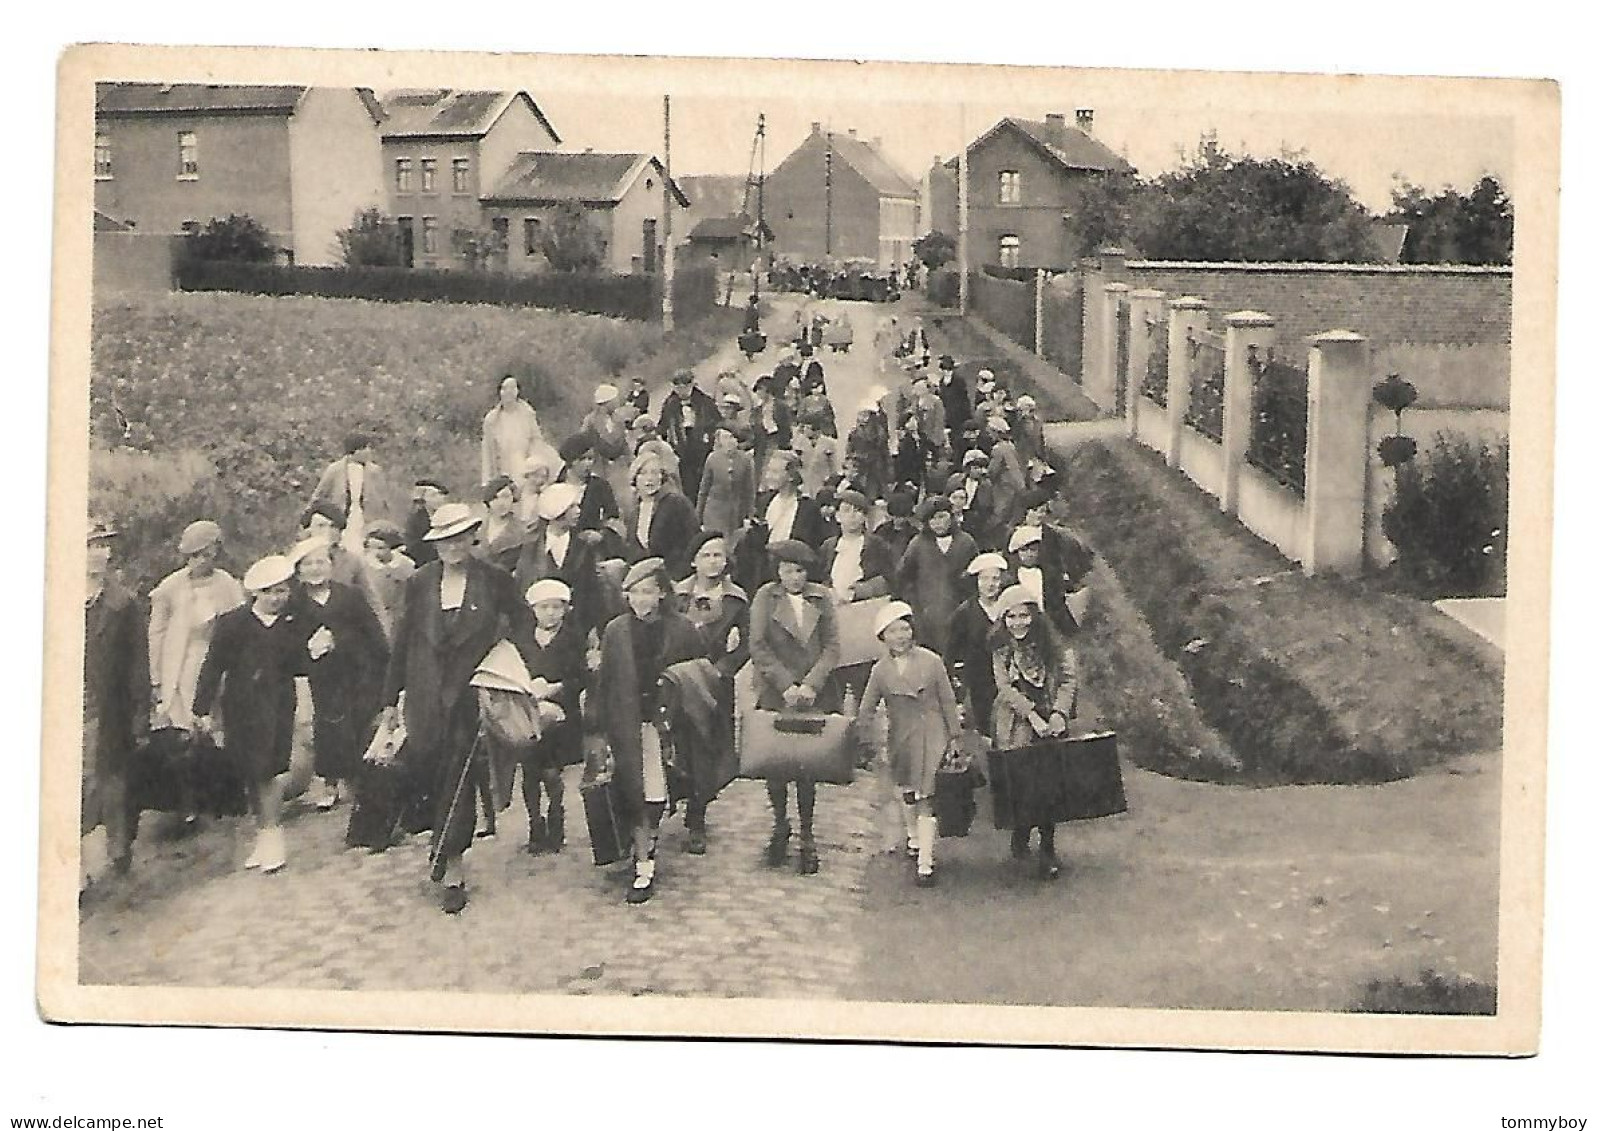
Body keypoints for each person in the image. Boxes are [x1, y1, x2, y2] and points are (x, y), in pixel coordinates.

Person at [380, 502, 537, 913]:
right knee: (428, 767)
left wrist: (505, 661)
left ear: (472, 537)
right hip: (425, 692)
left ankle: (453, 867)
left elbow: (523, 619)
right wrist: (389, 699)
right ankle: (439, 843)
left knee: (459, 774)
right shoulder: (419, 583)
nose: (451, 546)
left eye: (458, 537)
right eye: (442, 539)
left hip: (470, 692)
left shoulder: (493, 580)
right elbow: (402, 640)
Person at [593, 558, 709, 904]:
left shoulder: (682, 629)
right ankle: (644, 865)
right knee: (635, 792)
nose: (642, 600)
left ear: (662, 593)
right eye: (634, 593)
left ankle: (650, 836)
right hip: (628, 723)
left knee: (658, 795)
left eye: (649, 592)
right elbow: (604, 682)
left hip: (666, 725)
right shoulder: (615, 631)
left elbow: (700, 673)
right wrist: (597, 729)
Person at [191, 555, 309, 874]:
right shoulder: (233, 623)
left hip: (278, 705)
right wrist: (201, 708)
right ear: (255, 593)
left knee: (268, 772)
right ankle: (263, 836)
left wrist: (316, 652)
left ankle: (274, 838)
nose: (277, 598)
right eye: (270, 592)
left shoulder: (292, 623)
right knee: (251, 774)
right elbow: (213, 665)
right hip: (242, 707)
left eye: (282, 591)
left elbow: (299, 665)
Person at [748, 539, 840, 875]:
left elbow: (832, 646)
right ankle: (779, 823)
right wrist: (786, 685)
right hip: (777, 692)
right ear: (778, 572)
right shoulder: (765, 597)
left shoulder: (821, 598)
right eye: (788, 571)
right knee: (775, 764)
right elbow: (757, 645)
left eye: (800, 571)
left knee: (808, 767)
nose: (795, 578)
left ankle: (807, 833)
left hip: (813, 694)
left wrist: (811, 684)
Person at [147, 519, 246, 830]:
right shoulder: (170, 588)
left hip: (219, 663)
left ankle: (228, 795)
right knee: (187, 732)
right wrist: (156, 677)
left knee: (222, 726)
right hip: (184, 664)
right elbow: (157, 632)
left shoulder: (227, 584)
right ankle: (189, 800)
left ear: (216, 551)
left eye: (207, 553)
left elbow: (242, 622)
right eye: (194, 556)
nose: (201, 561)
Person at [857, 601, 962, 887]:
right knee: (907, 791)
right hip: (900, 738)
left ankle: (925, 863)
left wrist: (955, 737)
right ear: (883, 637)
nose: (901, 636)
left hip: (932, 734)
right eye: (893, 631)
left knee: (927, 796)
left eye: (905, 629)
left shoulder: (932, 661)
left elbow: (948, 701)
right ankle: (913, 837)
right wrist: (862, 739)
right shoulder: (880, 671)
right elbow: (866, 707)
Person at [286, 537, 389, 817]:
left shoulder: (349, 596)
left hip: (357, 672)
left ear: (331, 566)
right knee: (327, 726)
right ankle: (329, 783)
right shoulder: (292, 603)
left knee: (359, 721)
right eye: (308, 564)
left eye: (321, 562)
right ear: (298, 571)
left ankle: (358, 782)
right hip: (320, 676)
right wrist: (306, 647)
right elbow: (286, 643)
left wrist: (339, 640)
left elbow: (372, 634)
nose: (315, 569)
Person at [989, 584, 1078, 880]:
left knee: (1049, 784)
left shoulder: (1052, 645)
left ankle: (1048, 849)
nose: (1018, 623)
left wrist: (1059, 713)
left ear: (1034, 616)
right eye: (1011, 617)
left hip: (1050, 716)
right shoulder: (1000, 649)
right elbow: (1003, 688)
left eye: (1024, 616)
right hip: (1016, 721)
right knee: (1023, 779)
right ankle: (1021, 828)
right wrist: (1031, 716)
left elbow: (1067, 679)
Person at [673, 531, 749, 855]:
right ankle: (683, 800)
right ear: (694, 561)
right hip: (680, 680)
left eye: (718, 555)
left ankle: (698, 811)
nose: (712, 561)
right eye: (706, 555)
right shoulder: (677, 596)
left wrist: (724, 667)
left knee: (708, 748)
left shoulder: (736, 600)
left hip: (716, 684)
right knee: (680, 745)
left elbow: (746, 643)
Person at [82, 521, 148, 885]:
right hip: (69, 703)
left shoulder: (123, 603)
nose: (99, 553)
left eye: (104, 546)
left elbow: (138, 664)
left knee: (108, 779)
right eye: (92, 545)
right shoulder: (55, 595)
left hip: (108, 708)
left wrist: (141, 716)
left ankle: (117, 848)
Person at [516, 579, 587, 855]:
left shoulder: (572, 639)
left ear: (565, 610)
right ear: (533, 609)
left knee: (552, 772)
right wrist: (527, 688)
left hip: (561, 715)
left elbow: (580, 677)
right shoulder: (522, 639)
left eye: (556, 607)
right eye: (544, 607)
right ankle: (535, 822)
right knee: (530, 771)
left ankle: (556, 814)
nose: (550, 613)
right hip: (528, 713)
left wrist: (557, 687)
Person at [514, 481, 610, 639]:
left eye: (577, 506)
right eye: (572, 507)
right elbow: (522, 590)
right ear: (557, 510)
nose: (578, 511)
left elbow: (593, 595)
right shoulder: (530, 548)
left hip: (577, 632)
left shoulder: (584, 548)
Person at [894, 496, 978, 657]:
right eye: (932, 519)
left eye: (942, 516)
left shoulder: (966, 542)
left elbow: (975, 575)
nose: (938, 523)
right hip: (928, 615)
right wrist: (915, 604)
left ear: (951, 516)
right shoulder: (917, 544)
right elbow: (903, 576)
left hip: (958, 610)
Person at [946, 552, 1009, 738]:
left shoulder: (1009, 608)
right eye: (985, 579)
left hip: (1010, 680)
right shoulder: (964, 613)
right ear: (976, 581)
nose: (991, 584)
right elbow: (952, 655)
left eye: (996, 579)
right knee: (987, 733)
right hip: (980, 683)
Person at [622, 451, 700, 580]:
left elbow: (692, 542)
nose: (650, 478)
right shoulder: (634, 513)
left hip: (675, 576)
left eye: (654, 472)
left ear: (661, 477)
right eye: (643, 473)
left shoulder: (677, 503)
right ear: (635, 479)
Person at [311, 432, 391, 555]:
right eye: (364, 448)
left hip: (366, 517)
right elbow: (319, 495)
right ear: (354, 450)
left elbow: (383, 498)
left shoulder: (375, 471)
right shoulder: (335, 469)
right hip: (343, 516)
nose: (368, 451)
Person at [820, 490, 896, 606]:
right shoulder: (829, 546)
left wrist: (859, 591)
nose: (852, 515)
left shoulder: (877, 545)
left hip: (866, 607)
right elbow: (821, 577)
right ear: (837, 516)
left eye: (858, 511)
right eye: (846, 511)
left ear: (864, 517)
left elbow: (890, 580)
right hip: (834, 607)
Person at [658, 370, 721, 501]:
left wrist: (709, 435)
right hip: (680, 449)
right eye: (677, 387)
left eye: (685, 386)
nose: (681, 391)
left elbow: (717, 422)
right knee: (686, 485)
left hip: (702, 447)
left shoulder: (705, 402)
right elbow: (663, 426)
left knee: (703, 483)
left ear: (692, 384)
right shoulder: (670, 404)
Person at [481, 375, 555, 487]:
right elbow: (487, 451)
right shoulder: (491, 419)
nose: (508, 392)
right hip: (502, 468)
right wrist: (487, 480)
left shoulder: (528, 414)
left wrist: (536, 466)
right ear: (500, 391)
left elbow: (537, 441)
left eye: (512, 388)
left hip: (525, 466)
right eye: (504, 388)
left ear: (517, 391)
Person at [697, 422, 757, 542]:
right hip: (714, 511)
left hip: (735, 513)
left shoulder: (745, 460)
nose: (729, 441)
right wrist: (698, 517)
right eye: (725, 437)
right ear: (719, 440)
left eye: (732, 437)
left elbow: (749, 491)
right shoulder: (712, 458)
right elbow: (704, 490)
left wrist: (749, 515)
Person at [361, 520, 415, 642]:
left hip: (402, 622)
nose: (376, 553)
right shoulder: (363, 567)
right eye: (370, 547)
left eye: (381, 548)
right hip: (374, 623)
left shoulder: (406, 566)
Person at [580, 384, 632, 500]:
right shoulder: (590, 421)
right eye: (615, 400)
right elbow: (584, 446)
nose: (618, 402)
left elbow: (624, 443)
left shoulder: (618, 419)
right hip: (600, 468)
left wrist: (630, 462)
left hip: (619, 469)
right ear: (607, 402)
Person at [475, 476, 527, 574]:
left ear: (513, 498)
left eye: (506, 496)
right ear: (488, 502)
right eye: (495, 498)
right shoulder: (477, 531)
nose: (501, 503)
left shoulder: (523, 531)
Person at [405, 480, 449, 567]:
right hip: (424, 564)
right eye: (433, 495)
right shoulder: (415, 520)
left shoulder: (449, 515)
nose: (439, 499)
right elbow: (413, 547)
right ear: (423, 499)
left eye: (440, 495)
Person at [794, 412, 839, 496]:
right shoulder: (799, 442)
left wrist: (830, 482)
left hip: (821, 483)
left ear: (815, 429)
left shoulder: (829, 443)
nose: (804, 430)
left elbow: (833, 466)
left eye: (806, 427)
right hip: (804, 485)